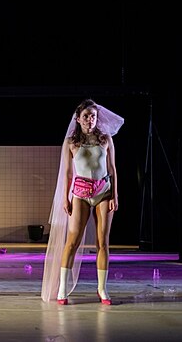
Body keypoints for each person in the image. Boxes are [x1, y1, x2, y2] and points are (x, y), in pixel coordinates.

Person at [41, 99, 124, 305]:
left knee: (102, 242)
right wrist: (65, 198)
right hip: (80, 193)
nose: (90, 119)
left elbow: (112, 168)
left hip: (103, 191)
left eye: (93, 116)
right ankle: (62, 289)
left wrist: (115, 195)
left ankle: (102, 289)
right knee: (72, 241)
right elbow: (67, 173)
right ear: (78, 119)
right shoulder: (71, 142)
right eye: (86, 116)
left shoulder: (105, 139)